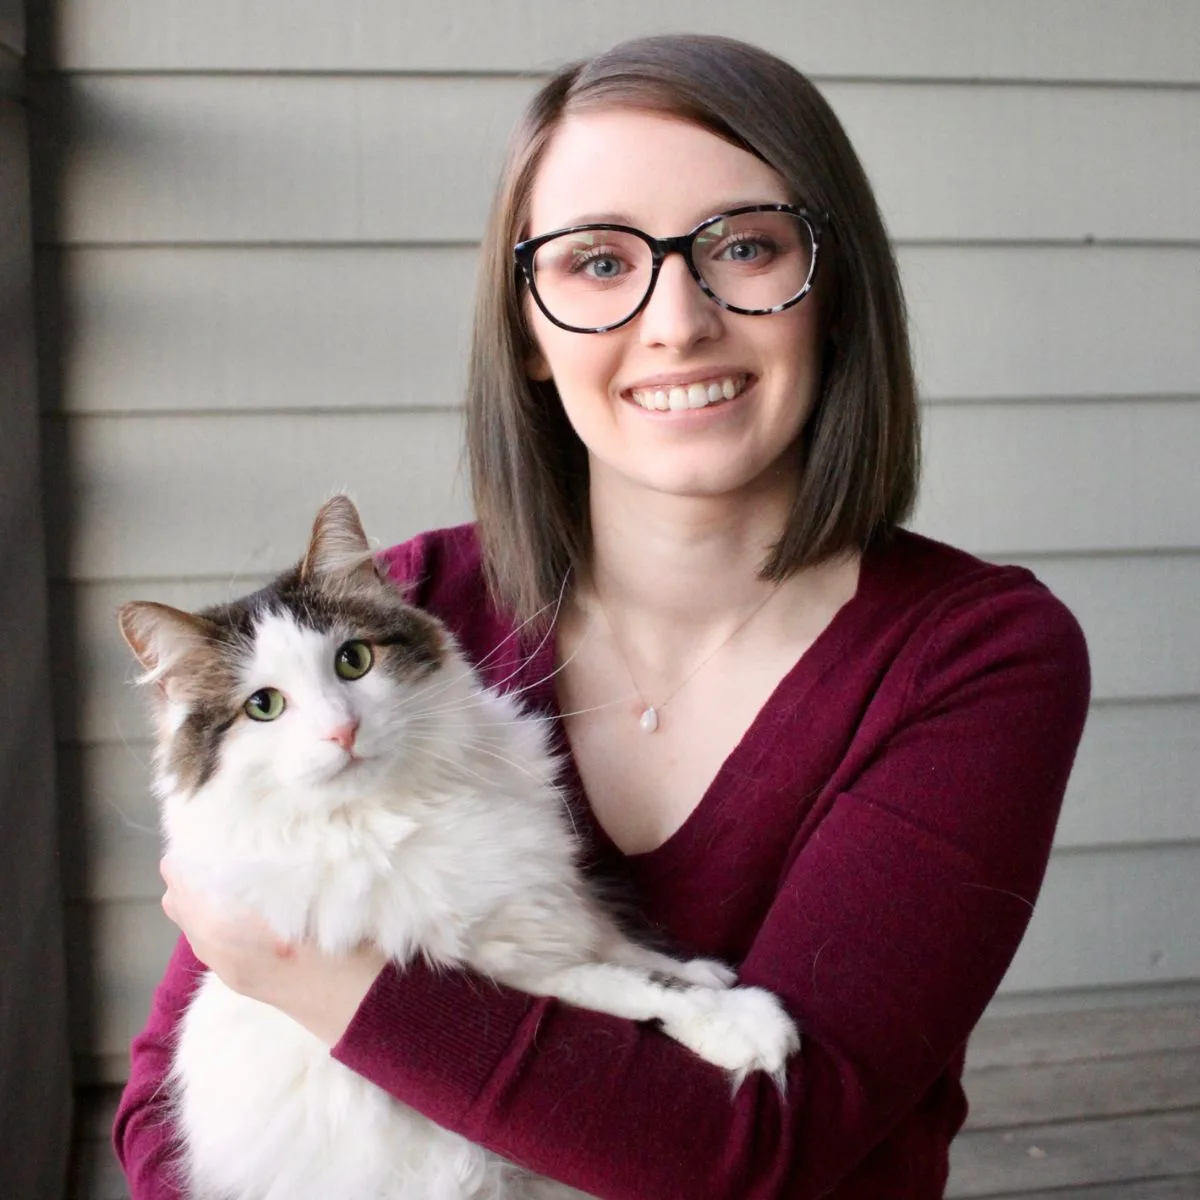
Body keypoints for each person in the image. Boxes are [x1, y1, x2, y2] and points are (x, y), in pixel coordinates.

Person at [113, 34, 1090, 1199]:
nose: (677, 321)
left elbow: (766, 1143)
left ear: (832, 294)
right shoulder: (403, 612)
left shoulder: (974, 658)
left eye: (743, 246)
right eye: (596, 262)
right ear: (526, 327)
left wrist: (317, 980)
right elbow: (165, 1126)